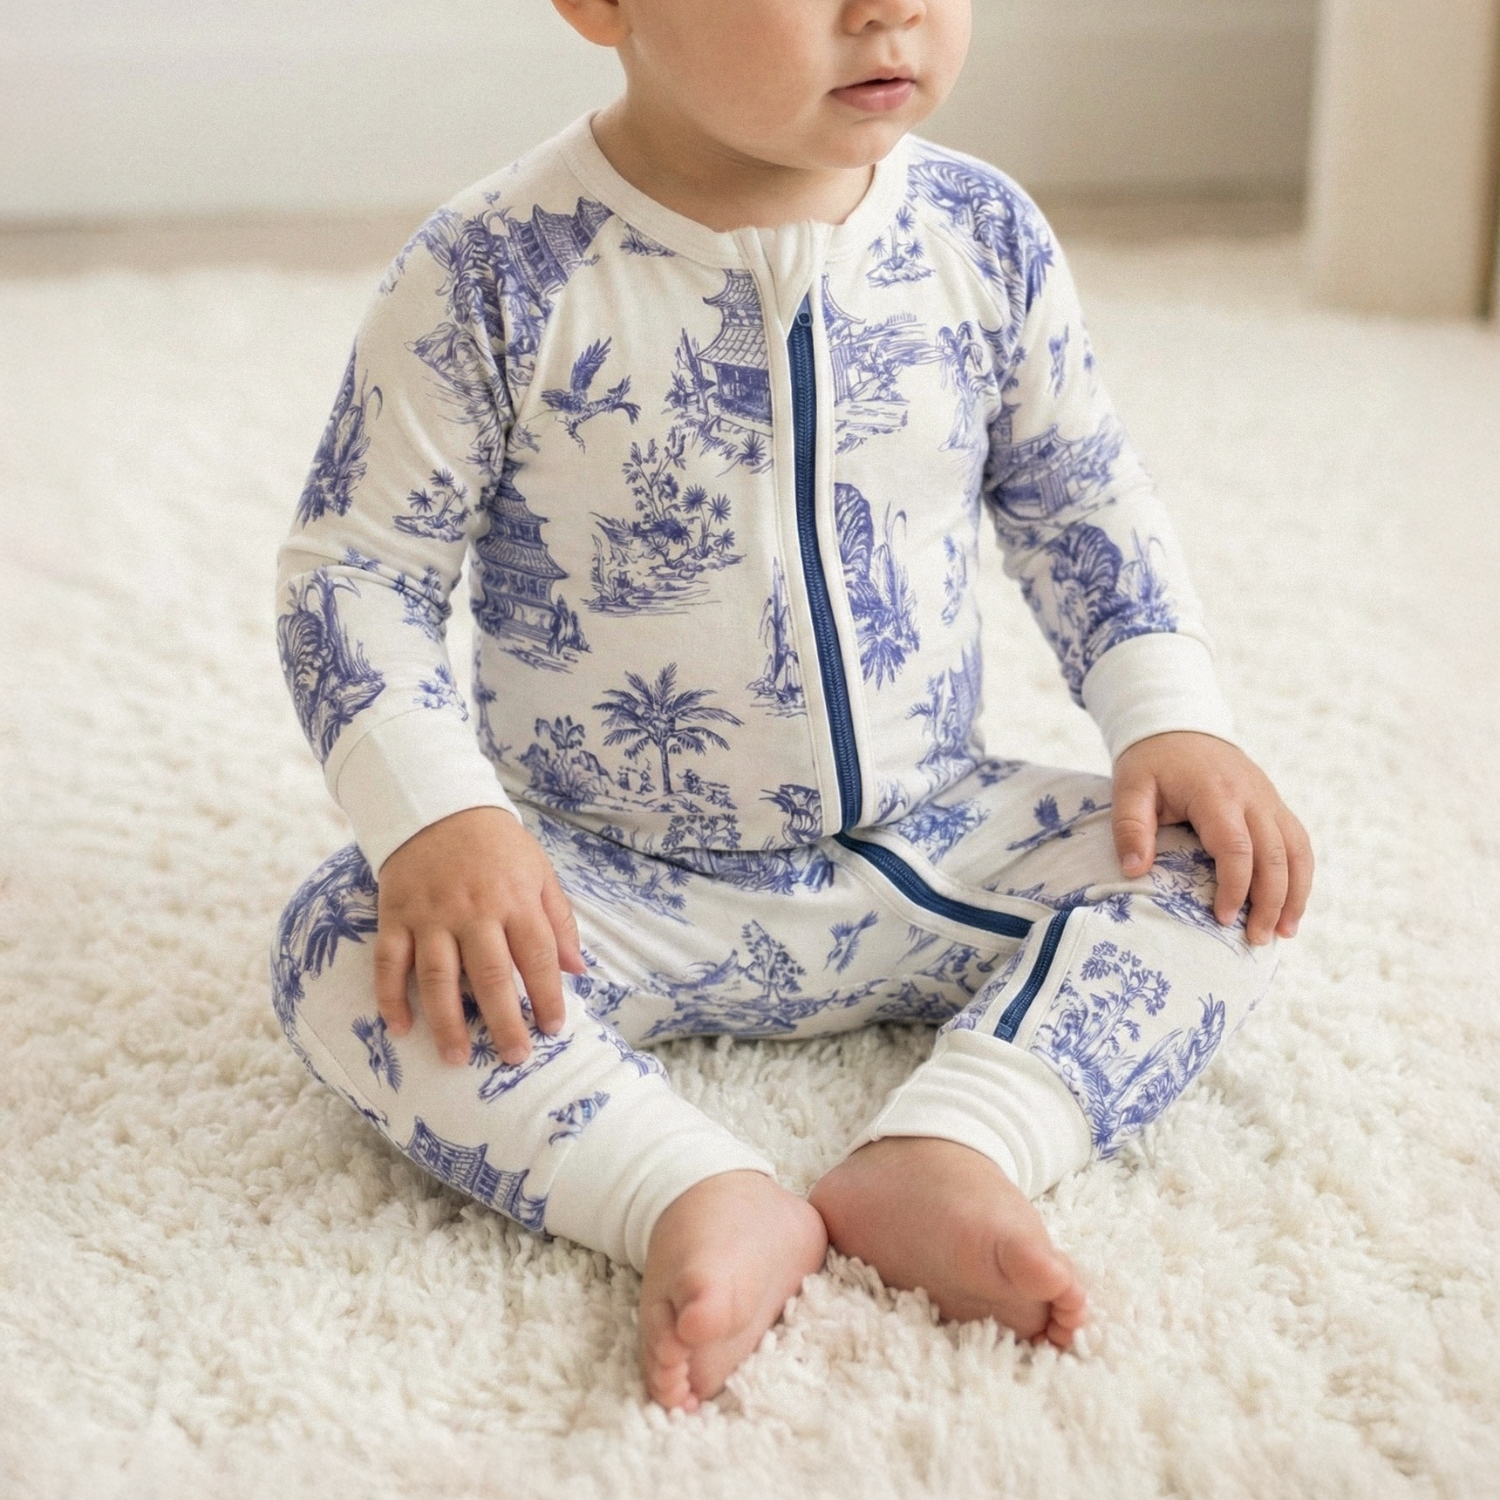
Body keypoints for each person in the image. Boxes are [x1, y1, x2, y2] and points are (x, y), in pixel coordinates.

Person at [271, 0, 1313, 1413]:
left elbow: (1080, 500)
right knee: (349, 948)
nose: (890, 11)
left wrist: (1169, 714)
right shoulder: (492, 271)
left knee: (1227, 872)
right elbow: (358, 577)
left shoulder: (982, 236)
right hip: (602, 882)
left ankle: (958, 1146)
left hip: (934, 839)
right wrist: (439, 820)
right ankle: (685, 1189)